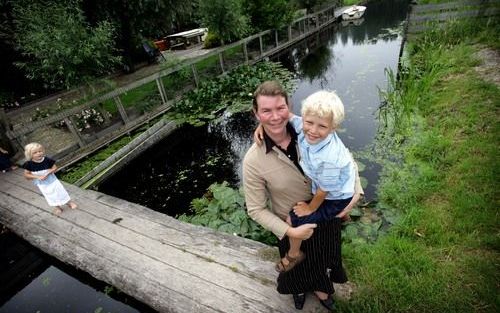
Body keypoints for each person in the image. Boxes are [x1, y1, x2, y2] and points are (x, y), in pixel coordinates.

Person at [243, 81, 363, 311]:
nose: (275, 117)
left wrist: (356, 191)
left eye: (280, 108)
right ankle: (297, 289)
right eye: (266, 111)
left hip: (323, 211)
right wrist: (290, 231)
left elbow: (345, 160)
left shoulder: (309, 129)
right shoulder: (253, 160)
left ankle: (320, 287)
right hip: (291, 221)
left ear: (289, 107)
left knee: (323, 258)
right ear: (255, 113)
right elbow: (255, 209)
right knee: (297, 267)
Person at [22, 142, 77, 215]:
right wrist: (37, 177)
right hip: (42, 184)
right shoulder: (28, 164)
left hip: (53, 181)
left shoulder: (47, 160)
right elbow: (26, 175)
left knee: (60, 192)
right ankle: (57, 207)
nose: (38, 153)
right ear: (30, 155)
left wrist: (48, 172)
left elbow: (55, 167)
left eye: (40, 151)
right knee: (49, 195)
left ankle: (69, 202)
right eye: (35, 153)